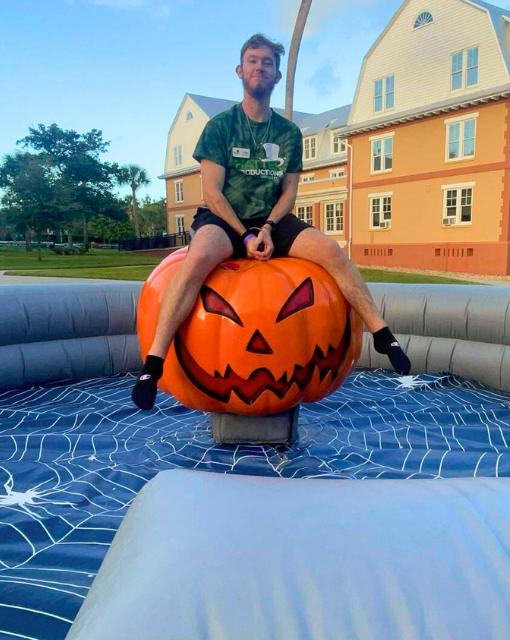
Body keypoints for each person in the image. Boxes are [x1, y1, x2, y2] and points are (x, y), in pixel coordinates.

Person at [132, 33, 410, 410]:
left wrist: (266, 229)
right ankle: (154, 362)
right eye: (252, 60)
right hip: (223, 217)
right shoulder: (220, 128)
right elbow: (212, 192)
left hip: (272, 219)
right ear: (239, 70)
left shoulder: (289, 134)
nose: (259, 67)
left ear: (276, 75)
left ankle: (382, 334)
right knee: (196, 260)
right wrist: (244, 235)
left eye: (266, 62)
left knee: (331, 252)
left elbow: (289, 193)